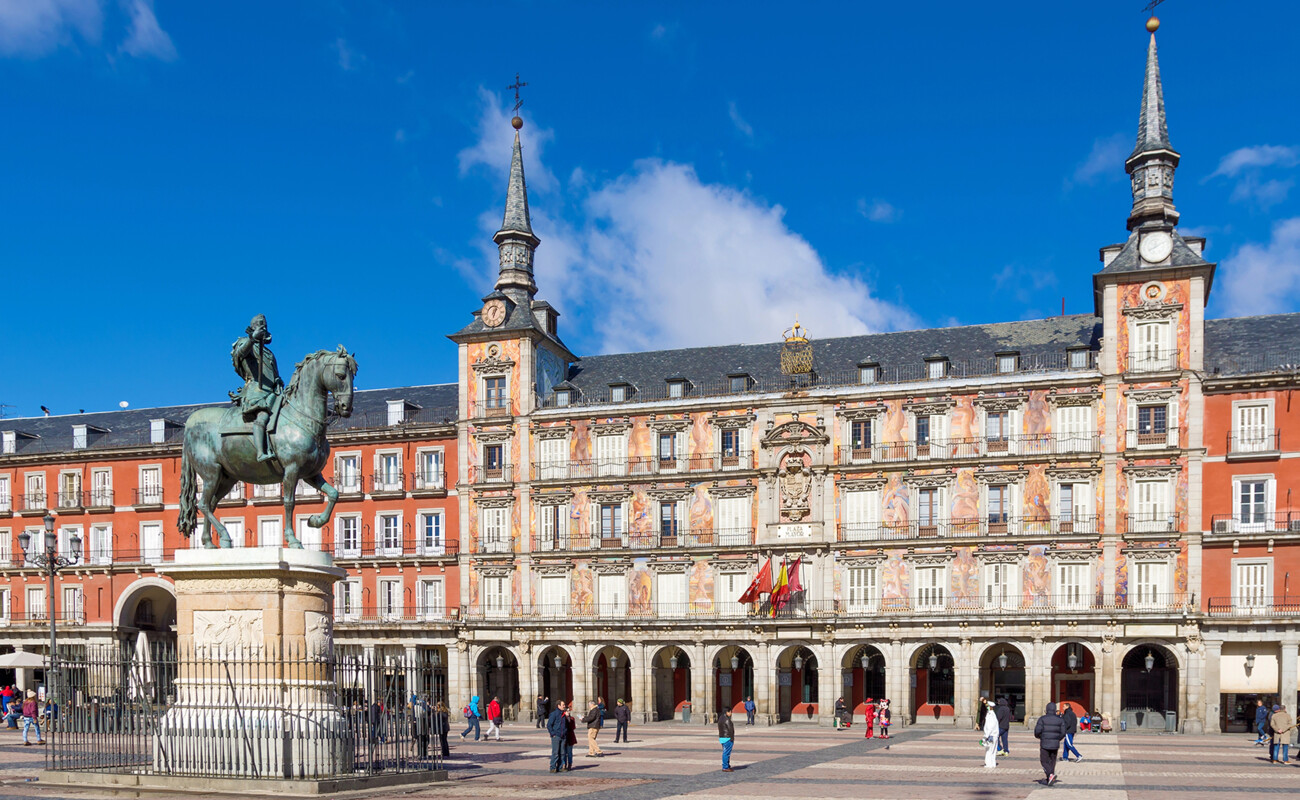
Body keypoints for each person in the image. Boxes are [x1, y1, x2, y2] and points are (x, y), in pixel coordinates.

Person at [230, 314, 283, 462]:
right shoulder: (245, 343)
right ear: (252, 327)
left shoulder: (269, 353)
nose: (263, 327)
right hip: (256, 390)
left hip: (272, 391)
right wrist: (252, 338)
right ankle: (261, 453)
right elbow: (239, 354)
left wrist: (278, 380)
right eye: (260, 324)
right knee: (262, 416)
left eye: (265, 325)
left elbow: (273, 374)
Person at [1033, 702, 1067, 786]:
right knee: (1052, 760)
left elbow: (1037, 731)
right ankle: (1050, 778)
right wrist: (1057, 739)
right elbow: (1063, 732)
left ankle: (1050, 774)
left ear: (1046, 709)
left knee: (1044, 760)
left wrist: (1041, 737)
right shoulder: (1060, 719)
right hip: (1055, 744)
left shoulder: (1042, 719)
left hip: (1045, 743)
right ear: (1055, 710)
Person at [547, 701, 568, 773]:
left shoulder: (564, 714)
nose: (564, 706)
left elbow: (568, 725)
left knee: (562, 753)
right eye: (563, 705)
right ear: (558, 706)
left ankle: (560, 767)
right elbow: (549, 725)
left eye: (564, 705)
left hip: (563, 736)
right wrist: (553, 734)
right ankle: (552, 767)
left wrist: (568, 717)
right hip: (556, 736)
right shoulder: (554, 714)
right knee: (555, 753)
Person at [982, 698, 1000, 768]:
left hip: (991, 735)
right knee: (993, 750)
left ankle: (988, 764)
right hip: (995, 735)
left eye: (987, 706)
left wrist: (985, 736)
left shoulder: (990, 715)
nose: (986, 707)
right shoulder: (993, 714)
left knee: (989, 750)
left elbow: (989, 727)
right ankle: (993, 763)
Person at [718, 707, 735, 772]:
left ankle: (727, 765)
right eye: (730, 712)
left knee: (725, 752)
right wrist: (732, 738)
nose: (731, 713)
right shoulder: (727, 720)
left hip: (722, 737)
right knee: (726, 753)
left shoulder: (720, 718)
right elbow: (731, 730)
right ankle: (725, 766)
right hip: (727, 738)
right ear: (727, 712)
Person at [563, 702, 577, 771]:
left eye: (569, 711)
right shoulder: (562, 718)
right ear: (564, 712)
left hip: (570, 737)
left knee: (569, 752)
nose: (568, 712)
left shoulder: (572, 719)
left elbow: (573, 727)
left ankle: (570, 764)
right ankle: (564, 764)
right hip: (564, 737)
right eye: (567, 711)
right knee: (564, 752)